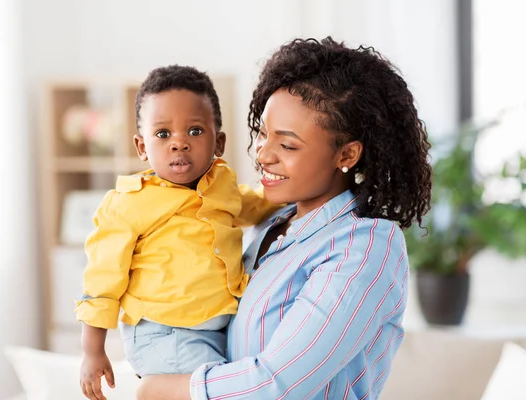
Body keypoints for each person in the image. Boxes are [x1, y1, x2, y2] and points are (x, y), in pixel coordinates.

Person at [135, 37, 432, 400]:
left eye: (287, 144)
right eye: (262, 134)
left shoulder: (365, 246)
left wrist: (157, 389)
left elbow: (277, 384)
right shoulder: (272, 223)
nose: (263, 155)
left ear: (348, 154)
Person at [76, 66, 280, 400]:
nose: (179, 143)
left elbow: (253, 205)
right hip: (164, 333)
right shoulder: (128, 202)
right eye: (163, 134)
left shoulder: (223, 185)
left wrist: (288, 193)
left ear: (220, 142)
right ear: (142, 147)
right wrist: (92, 351)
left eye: (196, 131)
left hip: (215, 329)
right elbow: (101, 282)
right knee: (229, 392)